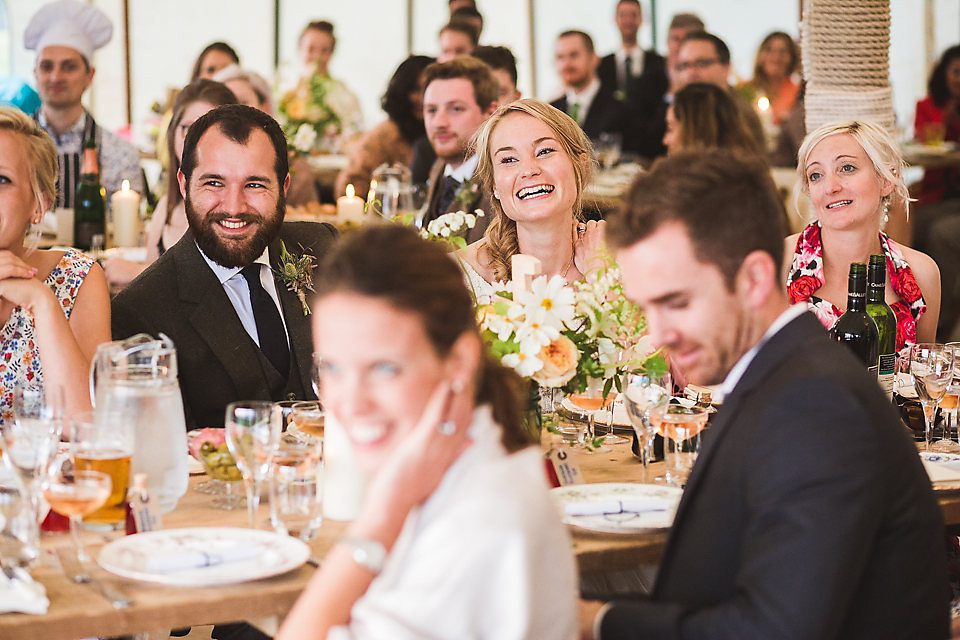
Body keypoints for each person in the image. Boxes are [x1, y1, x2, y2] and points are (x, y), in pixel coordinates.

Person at [580, 148, 950, 639]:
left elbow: (776, 629)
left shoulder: (815, 406)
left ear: (755, 279)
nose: (660, 332)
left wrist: (596, 623)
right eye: (647, 307)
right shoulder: (783, 375)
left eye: (677, 302)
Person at [276, 224, 576, 640]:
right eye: (332, 367)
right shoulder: (454, 466)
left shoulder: (475, 528)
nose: (352, 401)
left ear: (459, 361)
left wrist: (379, 519)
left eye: (384, 368)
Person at [111, 104, 337, 431]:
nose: (234, 207)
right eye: (214, 183)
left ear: (284, 188)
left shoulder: (320, 247)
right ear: (184, 184)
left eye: (255, 185)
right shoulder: (140, 311)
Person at [785, 120, 941, 348]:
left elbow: (921, 373)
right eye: (816, 175)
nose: (830, 187)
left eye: (847, 168)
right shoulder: (782, 261)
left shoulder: (921, 273)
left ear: (887, 179)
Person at [0, 106, 110, 423]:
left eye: (2, 178)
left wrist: (40, 300)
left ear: (39, 204)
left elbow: (87, 425)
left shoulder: (75, 277)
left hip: (39, 470)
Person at [457, 99, 605, 296]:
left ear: (580, 165)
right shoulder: (457, 276)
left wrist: (601, 276)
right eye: (508, 160)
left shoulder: (623, 262)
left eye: (544, 151)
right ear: (494, 186)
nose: (528, 170)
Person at [101, 79, 237, 290]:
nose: (196, 140)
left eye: (211, 129)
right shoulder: (166, 207)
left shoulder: (234, 209)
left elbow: (223, 285)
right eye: (188, 128)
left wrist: (138, 273)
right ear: (174, 132)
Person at [25, 0, 144, 209]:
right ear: (35, 73)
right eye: (46, 66)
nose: (55, 77)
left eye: (68, 67)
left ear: (90, 75)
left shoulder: (121, 155)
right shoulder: (10, 146)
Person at [420, 55, 498, 243]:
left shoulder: (499, 181)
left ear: (489, 113)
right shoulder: (439, 166)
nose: (439, 122)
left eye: (455, 109)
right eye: (431, 110)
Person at [334, 55, 434, 199]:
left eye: (428, 90)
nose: (423, 99)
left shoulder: (440, 134)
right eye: (416, 90)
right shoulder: (385, 135)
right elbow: (350, 184)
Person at [674, 31, 765, 153]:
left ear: (725, 68)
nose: (691, 72)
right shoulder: (683, 109)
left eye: (702, 63)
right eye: (685, 65)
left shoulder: (736, 113)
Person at [597, 0, 668, 158]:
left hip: (651, 147)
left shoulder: (658, 62)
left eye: (633, 15)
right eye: (623, 15)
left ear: (641, 19)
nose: (628, 21)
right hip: (613, 148)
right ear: (615, 19)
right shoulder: (602, 65)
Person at [550, 30, 629, 148]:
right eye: (560, 57)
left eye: (574, 55)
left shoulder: (621, 110)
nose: (566, 64)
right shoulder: (551, 111)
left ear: (594, 59)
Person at [663, 82, 763, 157]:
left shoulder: (689, 182)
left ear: (697, 133)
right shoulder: (748, 172)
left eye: (670, 129)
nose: (665, 141)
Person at [738, 32, 801, 126]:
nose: (775, 57)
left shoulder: (799, 93)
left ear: (792, 58)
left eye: (782, 51)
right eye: (769, 50)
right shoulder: (744, 90)